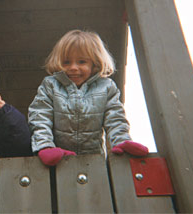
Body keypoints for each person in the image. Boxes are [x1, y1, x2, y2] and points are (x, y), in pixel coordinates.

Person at [28, 30, 148, 166]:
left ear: (94, 63)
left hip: (94, 160)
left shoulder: (106, 87)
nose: (73, 67)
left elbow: (115, 118)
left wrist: (121, 141)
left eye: (81, 62)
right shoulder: (51, 85)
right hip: (58, 159)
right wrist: (45, 146)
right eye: (66, 62)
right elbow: (40, 116)